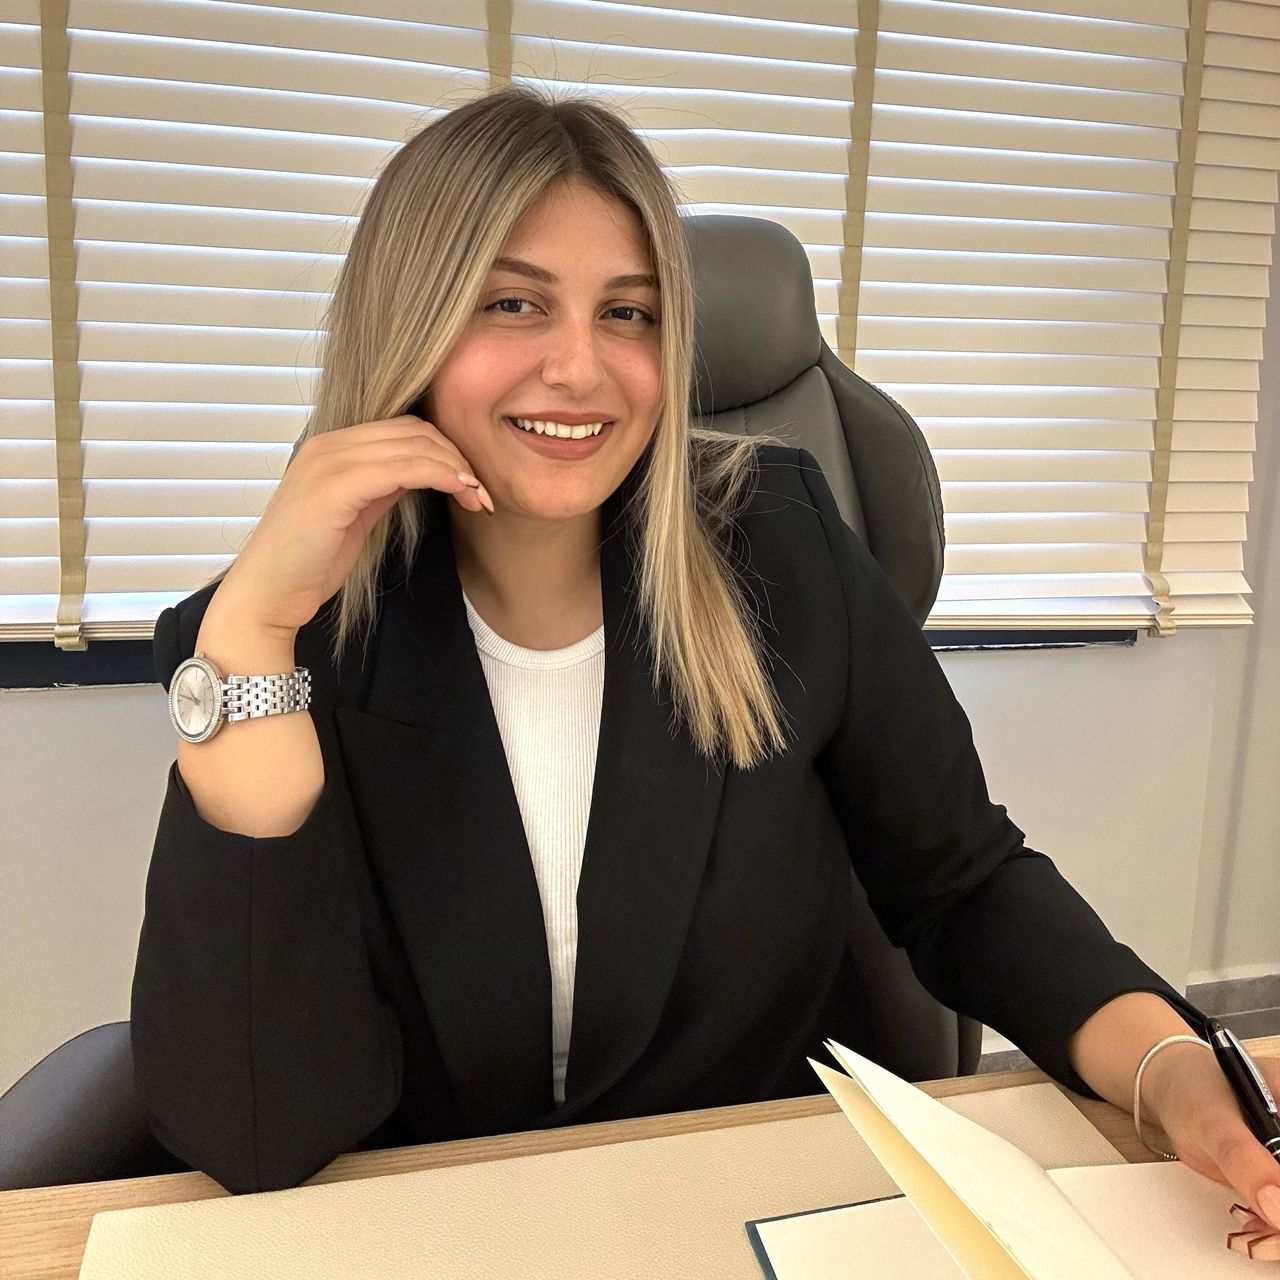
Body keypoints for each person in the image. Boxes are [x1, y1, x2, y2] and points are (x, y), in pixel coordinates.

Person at [131, 83, 1280, 1253]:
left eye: (627, 313)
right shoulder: (279, 638)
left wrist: (1171, 1067)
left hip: (753, 1211)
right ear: (409, 323)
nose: (578, 367)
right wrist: (252, 644)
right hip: (440, 1231)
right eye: (512, 302)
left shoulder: (779, 544)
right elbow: (255, 1132)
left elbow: (964, 881)